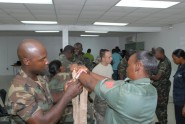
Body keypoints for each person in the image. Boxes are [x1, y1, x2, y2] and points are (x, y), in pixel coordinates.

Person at [7, 39, 82, 124]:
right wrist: (68, 95)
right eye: (42, 59)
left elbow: (47, 98)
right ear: (27, 61)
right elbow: (42, 122)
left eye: (46, 57)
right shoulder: (19, 90)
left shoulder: (39, 77)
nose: (47, 62)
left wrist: (65, 91)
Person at [72, 51, 158, 124]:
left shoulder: (124, 92)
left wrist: (76, 70)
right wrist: (89, 73)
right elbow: (111, 82)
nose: (126, 69)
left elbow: (90, 82)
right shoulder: (152, 90)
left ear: (138, 66)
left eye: (128, 65)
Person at [151, 47, 172, 124]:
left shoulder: (164, 63)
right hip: (160, 87)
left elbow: (157, 77)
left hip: (162, 88)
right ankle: (162, 121)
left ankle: (163, 122)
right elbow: (157, 72)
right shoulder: (162, 61)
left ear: (160, 53)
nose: (155, 56)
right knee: (159, 106)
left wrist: (147, 76)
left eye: (156, 54)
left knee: (161, 107)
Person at [92, 49, 113, 124]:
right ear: (103, 58)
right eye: (109, 57)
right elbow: (95, 86)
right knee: (101, 119)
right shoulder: (96, 70)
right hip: (100, 99)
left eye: (111, 57)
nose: (111, 59)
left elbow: (110, 79)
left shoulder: (110, 66)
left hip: (108, 96)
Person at [172, 49, 185, 124]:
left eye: (174, 58)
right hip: (178, 101)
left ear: (181, 57)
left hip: (182, 102)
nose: (173, 60)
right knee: (179, 120)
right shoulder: (180, 66)